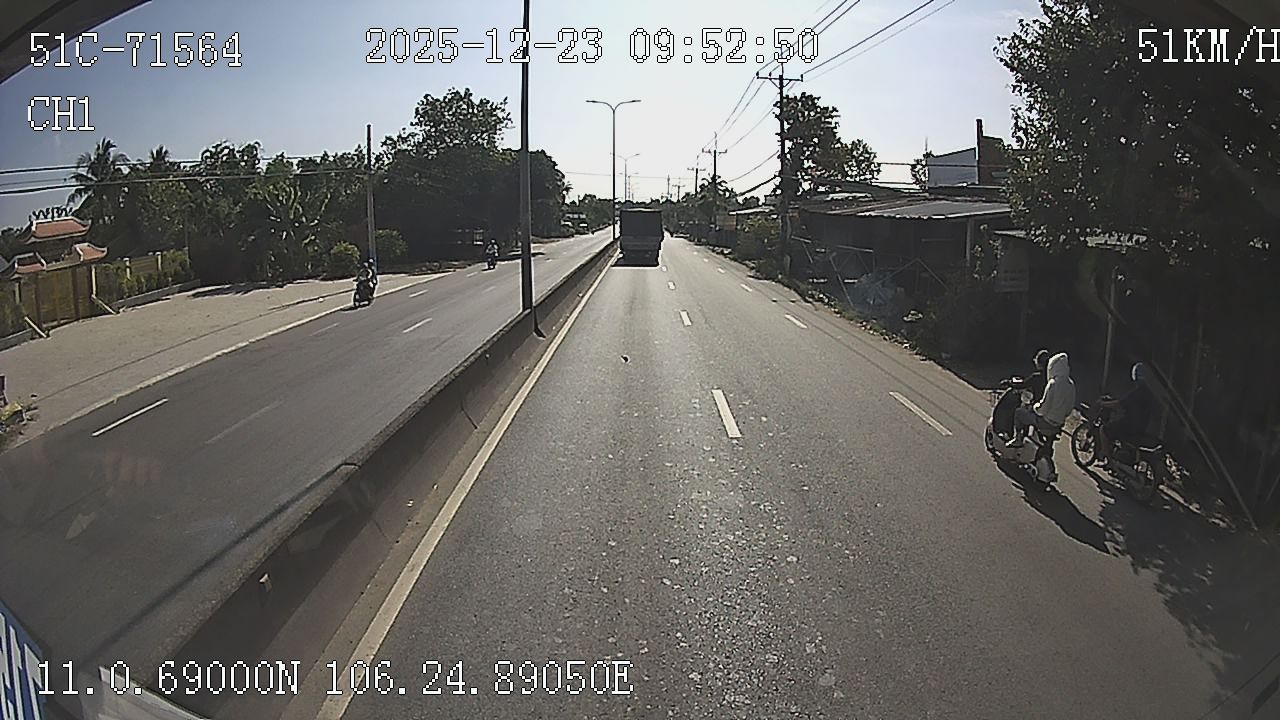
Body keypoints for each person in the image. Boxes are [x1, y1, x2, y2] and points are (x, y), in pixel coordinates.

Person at [1012, 352, 1076, 451]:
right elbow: (1069, 408)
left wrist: (1035, 407)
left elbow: (1044, 407)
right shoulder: (1070, 384)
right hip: (1059, 423)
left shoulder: (1053, 384)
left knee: (1019, 413)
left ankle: (1018, 439)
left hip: (1046, 421)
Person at [1097, 362, 1154, 465]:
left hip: (1129, 425)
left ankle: (1108, 460)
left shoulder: (1137, 392)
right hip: (1141, 427)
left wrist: (1103, 404)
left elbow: (1119, 404)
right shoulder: (1148, 393)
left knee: (1104, 430)